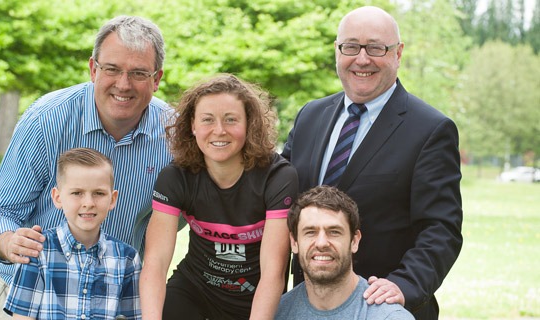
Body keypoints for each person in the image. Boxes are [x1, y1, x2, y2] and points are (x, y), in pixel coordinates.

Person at [0, 15, 172, 319]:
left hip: (115, 301)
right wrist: (9, 242)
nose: (123, 84)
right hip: (34, 296)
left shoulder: (174, 136)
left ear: (157, 79)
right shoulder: (46, 119)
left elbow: (176, 219)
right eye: (112, 69)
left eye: (138, 73)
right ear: (94, 69)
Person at [281, 6, 463, 319]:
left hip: (380, 305)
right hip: (309, 303)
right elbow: (279, 195)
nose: (362, 59)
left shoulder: (431, 129)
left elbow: (441, 227)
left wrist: (404, 284)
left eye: (376, 48)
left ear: (398, 53)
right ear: (337, 51)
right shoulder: (310, 115)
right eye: (350, 46)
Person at [139, 74, 298, 320]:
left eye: (231, 119)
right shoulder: (176, 177)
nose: (219, 131)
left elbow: (273, 273)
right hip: (195, 287)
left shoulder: (278, 177)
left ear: (249, 123)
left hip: (252, 296)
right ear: (192, 125)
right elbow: (155, 263)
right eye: (207, 120)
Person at [3, 148, 141, 320]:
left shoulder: (127, 259)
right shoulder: (37, 252)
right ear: (58, 197)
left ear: (112, 199)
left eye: (99, 193)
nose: (88, 203)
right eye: (77, 193)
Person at [276, 185, 414, 319]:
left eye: (334, 232)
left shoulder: (389, 316)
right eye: (310, 232)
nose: (322, 243)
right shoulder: (275, 313)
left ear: (354, 241)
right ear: (294, 242)